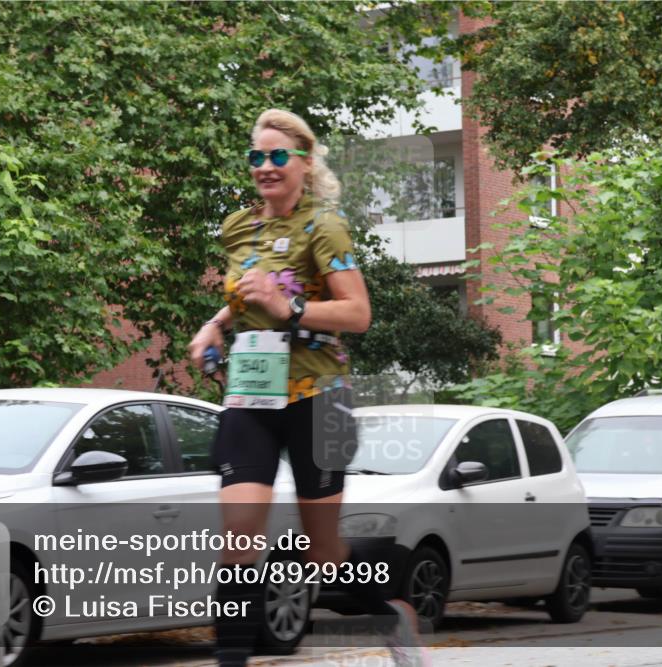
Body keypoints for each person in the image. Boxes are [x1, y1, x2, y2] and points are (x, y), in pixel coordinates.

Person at [187, 109, 429, 666]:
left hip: (320, 400)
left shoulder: (325, 226)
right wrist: (214, 324)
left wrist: (288, 307)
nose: (265, 166)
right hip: (251, 396)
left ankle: (390, 615)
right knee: (239, 539)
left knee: (323, 554)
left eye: (278, 155)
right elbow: (248, 292)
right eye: (257, 156)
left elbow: (358, 313)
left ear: (303, 162)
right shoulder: (238, 227)